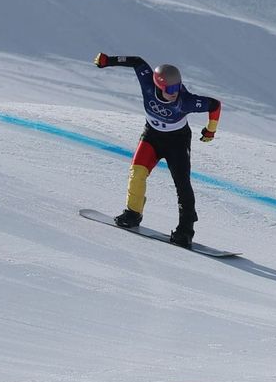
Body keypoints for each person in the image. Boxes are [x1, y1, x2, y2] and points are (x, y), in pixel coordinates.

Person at [93, 53, 221, 247]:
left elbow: (215, 105)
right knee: (137, 173)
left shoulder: (185, 101)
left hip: (177, 142)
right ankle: (133, 213)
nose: (175, 92)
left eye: (177, 86)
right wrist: (108, 60)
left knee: (182, 184)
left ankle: (185, 230)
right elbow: (137, 61)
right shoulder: (147, 84)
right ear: (159, 86)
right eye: (170, 89)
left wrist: (211, 130)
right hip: (151, 137)